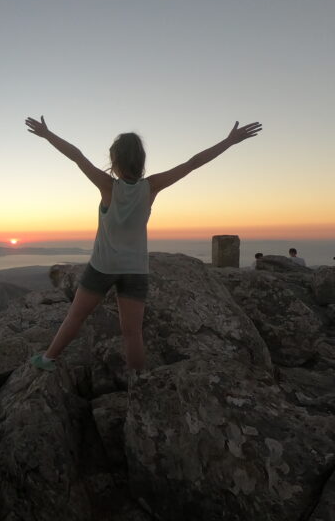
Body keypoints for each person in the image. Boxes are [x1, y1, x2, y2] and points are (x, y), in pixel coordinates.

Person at [25, 116, 263, 373]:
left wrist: (48, 135)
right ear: (140, 161)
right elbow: (193, 163)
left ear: (114, 161)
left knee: (76, 316)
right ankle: (137, 384)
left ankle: (48, 359)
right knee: (132, 333)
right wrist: (228, 142)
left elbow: (77, 156)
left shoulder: (107, 186)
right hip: (136, 269)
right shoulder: (151, 186)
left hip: (102, 266)